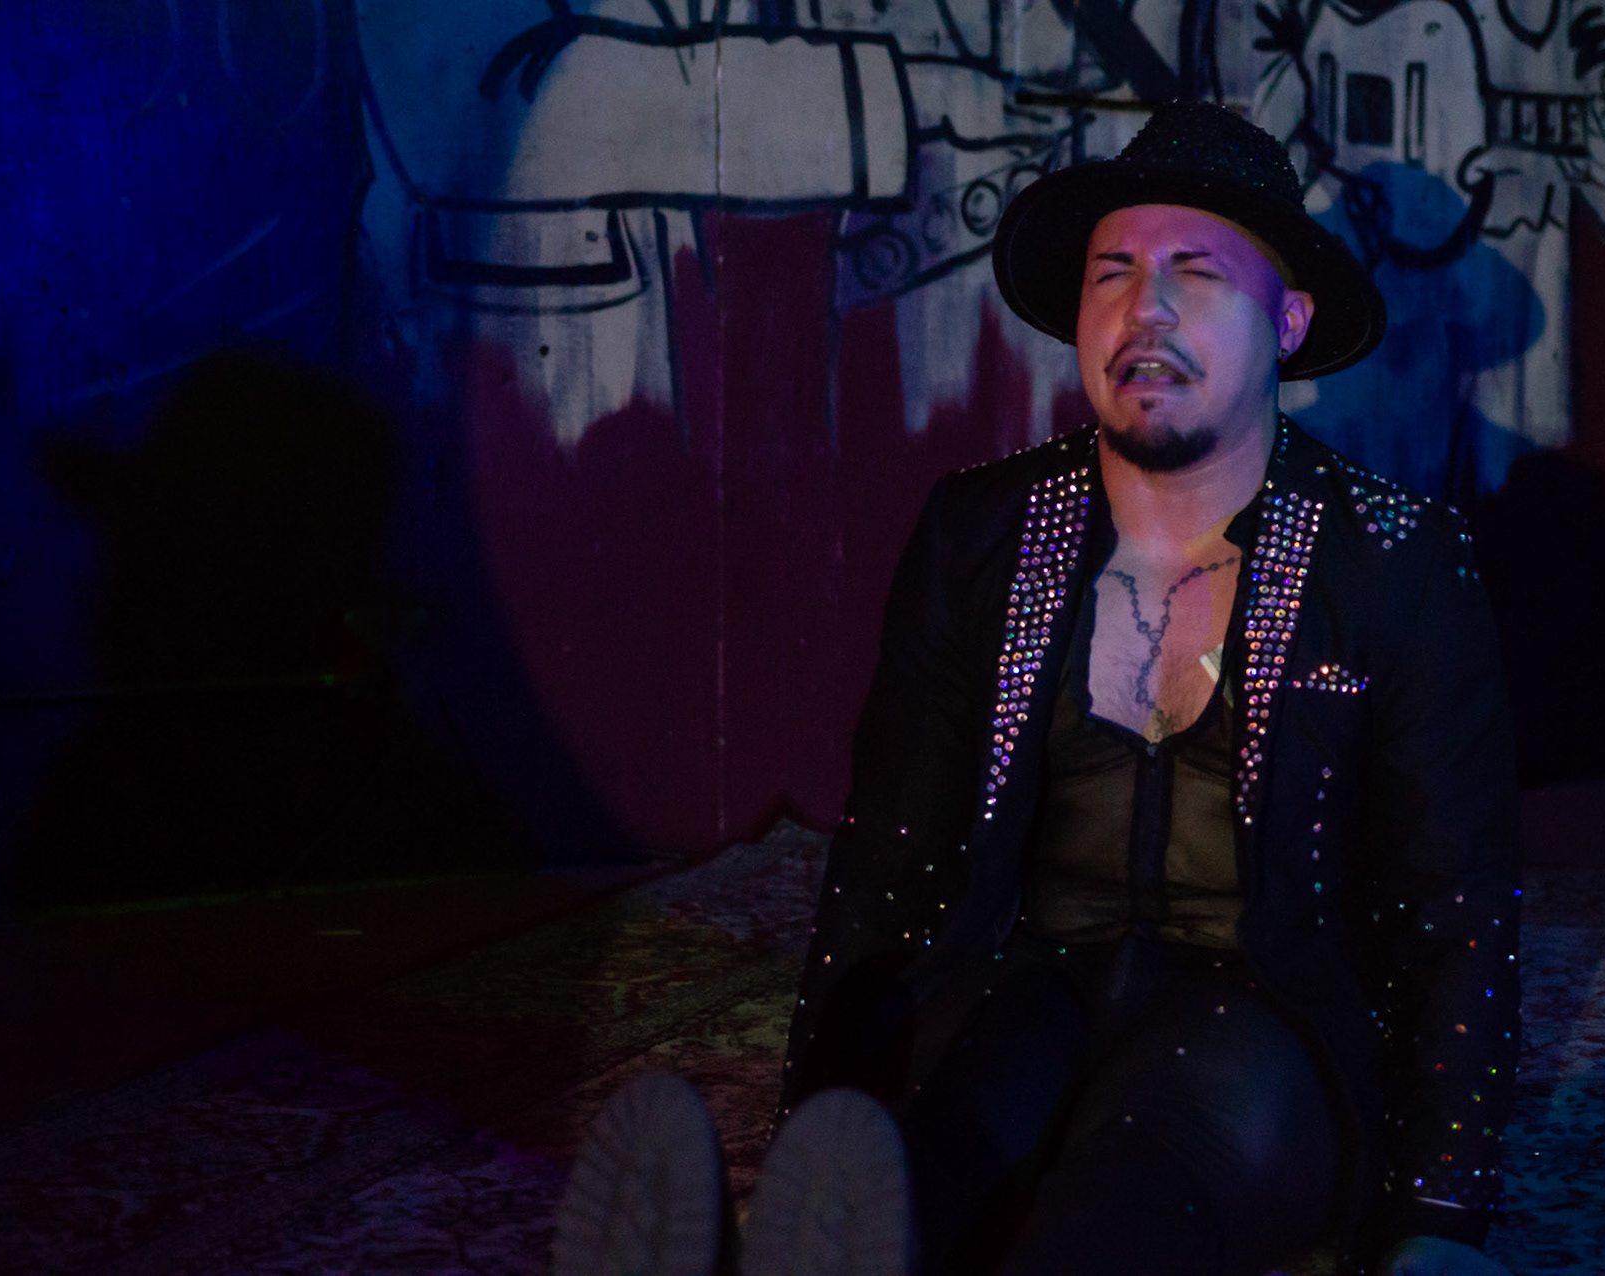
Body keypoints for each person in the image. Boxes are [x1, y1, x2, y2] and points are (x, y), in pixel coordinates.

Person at [558, 99, 1520, 1276]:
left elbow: (1455, 906)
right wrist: (825, 1126)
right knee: (933, 1171)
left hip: (1263, 1025)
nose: (1145, 308)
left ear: (1289, 320)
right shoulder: (985, 531)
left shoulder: (1393, 558)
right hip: (1031, 989)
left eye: (1196, 272)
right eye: (1113, 273)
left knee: (1106, 1218)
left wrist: (1439, 1214)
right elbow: (888, 862)